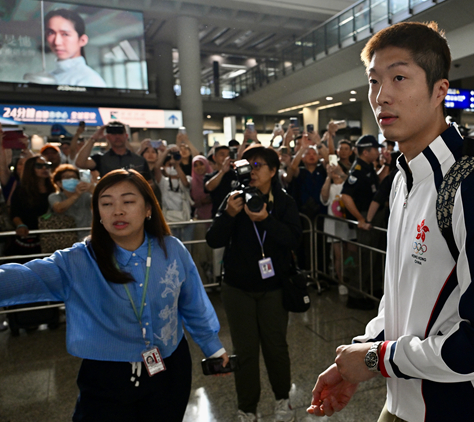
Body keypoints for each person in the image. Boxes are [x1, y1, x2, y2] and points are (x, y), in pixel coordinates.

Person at [308, 21, 474, 422]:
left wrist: (377, 359)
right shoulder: (404, 179)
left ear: (439, 90)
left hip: (468, 410)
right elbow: (403, 298)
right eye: (374, 81)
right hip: (403, 403)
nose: (382, 96)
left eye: (399, 77)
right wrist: (358, 357)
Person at [0, 169, 227, 421]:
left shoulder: (171, 249)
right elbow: (19, 279)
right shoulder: (78, 262)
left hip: (169, 367)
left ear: (148, 208)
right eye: (106, 203)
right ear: (98, 214)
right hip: (107, 375)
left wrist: (213, 347)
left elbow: (193, 302)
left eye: (128, 201)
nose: (117, 210)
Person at [206, 147, 301, 422]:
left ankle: (283, 400)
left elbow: (294, 239)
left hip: (274, 287)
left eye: (259, 165)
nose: (253, 170)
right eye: (249, 165)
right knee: (244, 351)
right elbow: (214, 239)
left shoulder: (283, 202)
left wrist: (267, 220)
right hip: (237, 288)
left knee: (276, 347)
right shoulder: (234, 199)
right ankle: (247, 408)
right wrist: (229, 215)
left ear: (273, 171)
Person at [340, 134, 382, 309]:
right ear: (366, 151)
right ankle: (355, 295)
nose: (378, 152)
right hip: (365, 216)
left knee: (373, 258)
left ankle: (370, 288)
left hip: (373, 215)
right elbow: (346, 195)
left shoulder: (368, 167)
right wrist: (360, 218)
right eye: (375, 149)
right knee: (365, 258)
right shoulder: (357, 169)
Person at [6, 155, 54, 259]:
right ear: (30, 169)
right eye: (39, 166)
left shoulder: (54, 189)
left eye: (47, 165)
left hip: (50, 235)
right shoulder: (21, 190)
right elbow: (15, 212)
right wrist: (20, 225)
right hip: (28, 235)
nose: (44, 168)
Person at [44, 9, 106, 88]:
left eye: (65, 34)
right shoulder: (48, 77)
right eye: (51, 33)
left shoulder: (90, 80)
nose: (57, 42)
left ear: (82, 40)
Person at [75, 122, 153, 181]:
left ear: (126, 136)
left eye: (120, 133)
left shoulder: (139, 160)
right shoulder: (101, 159)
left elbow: (149, 182)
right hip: (110, 199)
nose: (117, 136)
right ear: (108, 137)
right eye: (113, 133)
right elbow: (80, 163)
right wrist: (93, 139)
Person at [320, 163, 356, 286]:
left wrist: (341, 172)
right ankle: (341, 282)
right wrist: (328, 177)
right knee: (338, 255)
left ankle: (352, 280)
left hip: (349, 225)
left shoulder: (348, 184)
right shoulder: (329, 186)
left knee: (351, 253)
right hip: (334, 225)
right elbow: (324, 197)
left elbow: (353, 183)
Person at [48, 164, 93, 241]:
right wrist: (76, 195)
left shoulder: (86, 196)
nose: (72, 179)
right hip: (65, 238)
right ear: (59, 183)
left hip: (86, 237)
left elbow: (99, 203)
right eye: (67, 177)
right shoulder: (55, 196)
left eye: (74, 177)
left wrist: (92, 188)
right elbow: (59, 208)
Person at [190, 155, 214, 283]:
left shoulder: (214, 178)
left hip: (214, 218)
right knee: (201, 253)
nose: (199, 167)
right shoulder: (191, 182)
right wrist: (199, 202)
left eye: (201, 164)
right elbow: (191, 202)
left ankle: (216, 279)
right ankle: (205, 282)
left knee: (213, 253)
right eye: (195, 165)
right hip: (200, 220)